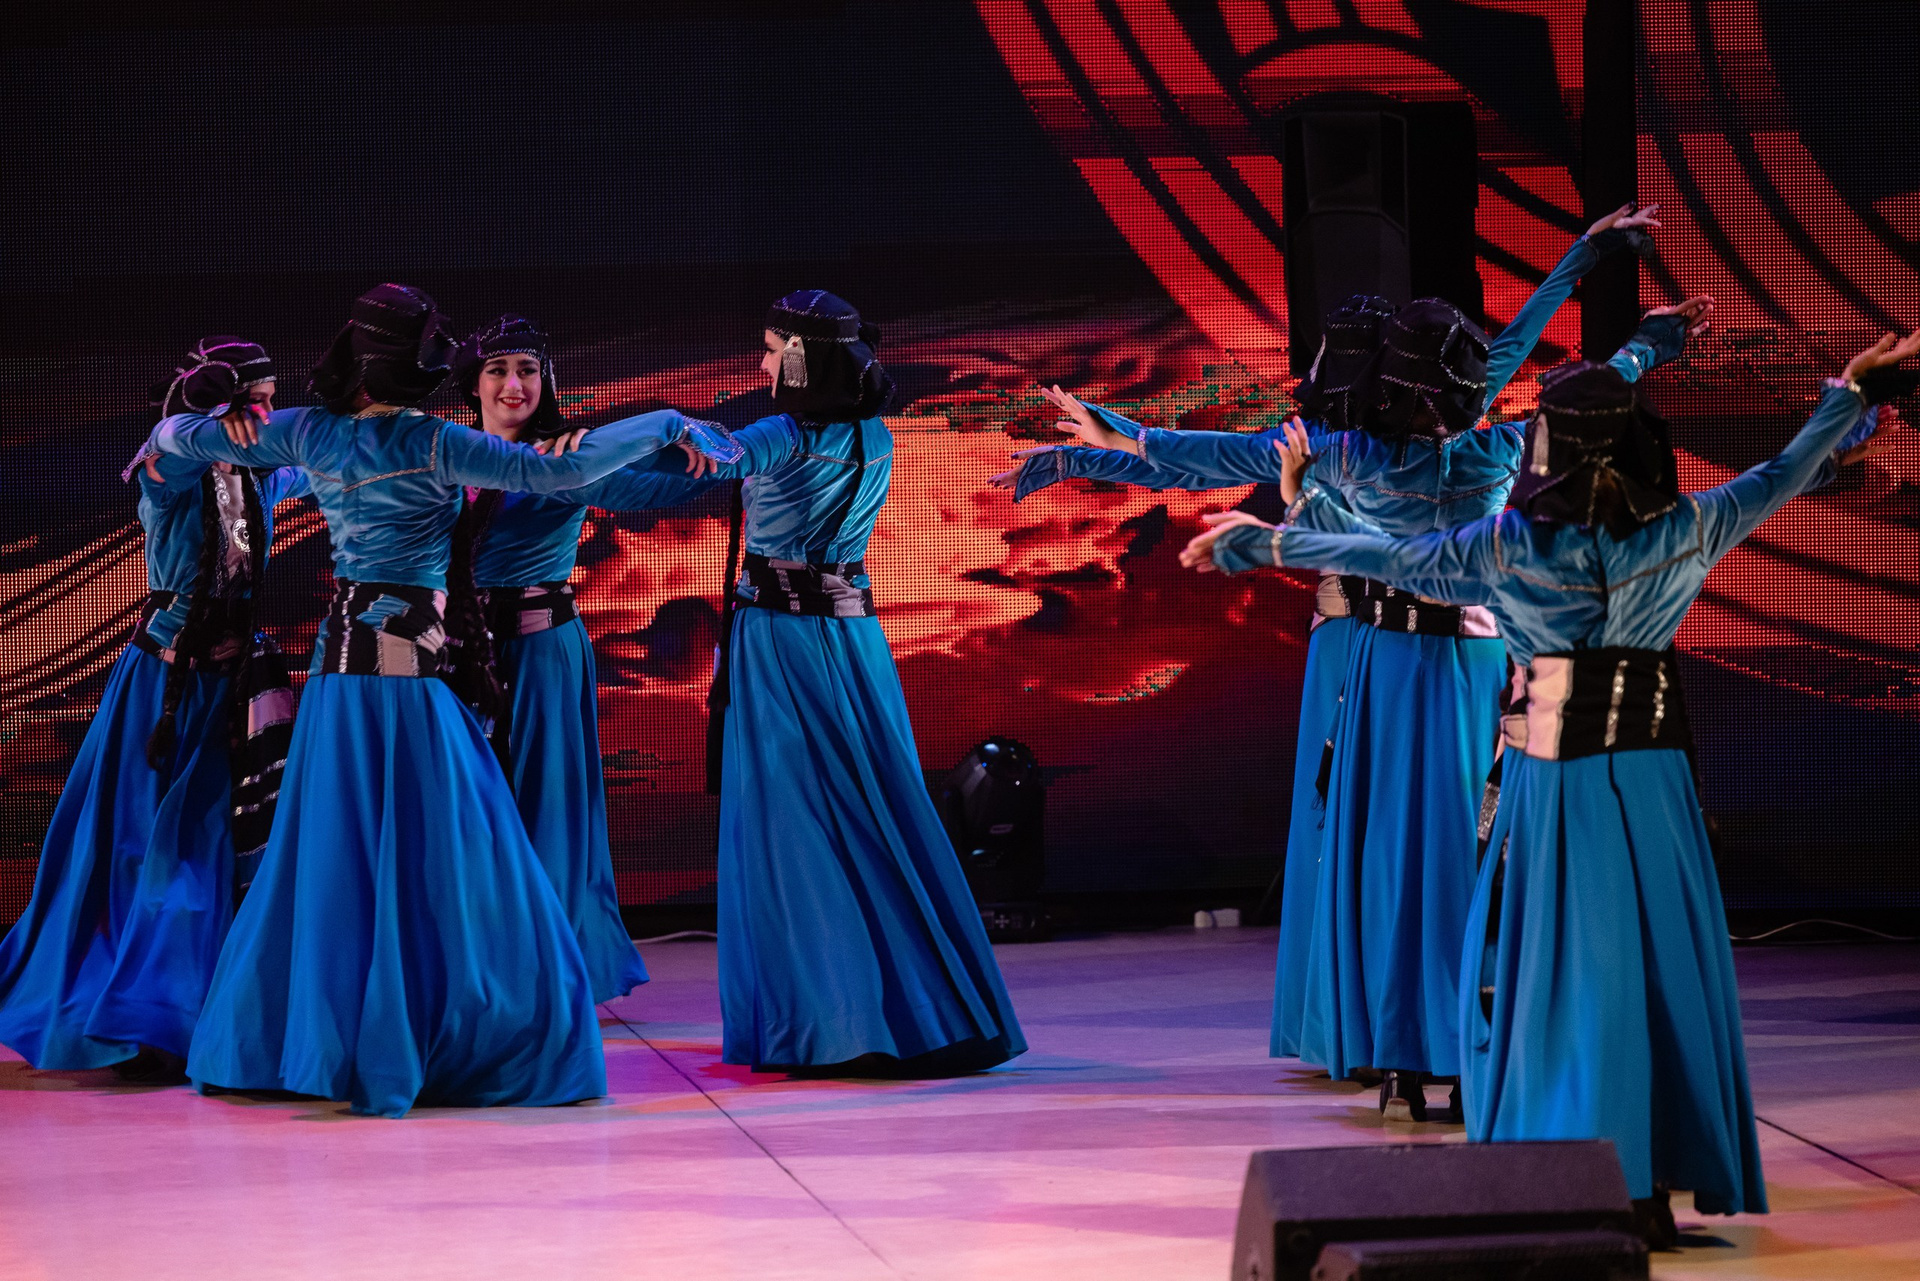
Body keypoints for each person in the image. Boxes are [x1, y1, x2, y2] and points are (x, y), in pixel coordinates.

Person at [1181, 329, 1917, 1231]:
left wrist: (1270, 542)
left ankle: (1578, 1162)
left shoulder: (1505, 546)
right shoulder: (1688, 527)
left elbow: (1392, 560)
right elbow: (1782, 472)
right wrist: (1847, 393)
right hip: (1652, 782)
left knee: (1558, 969)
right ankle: (1647, 1173)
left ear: (1545, 452)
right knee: (1654, 963)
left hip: (1555, 782)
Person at [993, 205, 1664, 1088]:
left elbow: (1206, 457)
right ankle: (1447, 1015)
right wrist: (1628, 319)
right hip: (1468, 664)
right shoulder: (1499, 447)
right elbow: (1574, 383)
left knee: (1385, 844)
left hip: (1387, 658)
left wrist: (1110, 441)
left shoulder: (1350, 457)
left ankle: (1391, 1016)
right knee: (1455, 841)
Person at [145, 284, 725, 1117]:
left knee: (333, 861)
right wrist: (664, 421)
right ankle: (442, 1030)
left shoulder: (309, 430)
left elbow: (168, 442)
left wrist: (202, 421)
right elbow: (553, 469)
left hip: (340, 680)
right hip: (406, 682)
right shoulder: (433, 441)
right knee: (471, 851)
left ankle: (309, 1040)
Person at [693, 290, 1025, 1074]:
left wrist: (596, 457)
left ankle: (834, 1020)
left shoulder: (783, 435)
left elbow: (715, 459)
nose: (761, 364)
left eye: (772, 350)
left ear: (802, 362)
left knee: (797, 824)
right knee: (876, 812)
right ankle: (914, 1008)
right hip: (850, 638)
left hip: (782, 641)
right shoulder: (875, 433)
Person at [0, 339, 307, 1081]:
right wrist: (202, 416)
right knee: (148, 849)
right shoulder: (172, 475)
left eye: (272, 401)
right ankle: (139, 1018)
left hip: (231, 692)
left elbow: (316, 462)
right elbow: (168, 441)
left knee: (217, 845)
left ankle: (204, 1012)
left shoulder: (259, 477)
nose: (266, 414)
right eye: (254, 401)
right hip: (167, 687)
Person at [454, 314, 719, 1004]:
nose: (514, 385)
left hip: (540, 648)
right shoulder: (450, 453)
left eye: (527, 371)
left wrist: (688, 441)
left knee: (547, 806)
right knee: (466, 811)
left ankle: (553, 971)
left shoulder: (567, 458)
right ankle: (478, 970)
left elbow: (665, 483)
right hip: (456, 654)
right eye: (498, 371)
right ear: (474, 382)